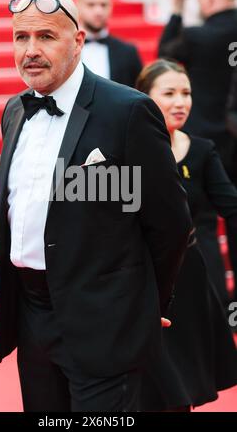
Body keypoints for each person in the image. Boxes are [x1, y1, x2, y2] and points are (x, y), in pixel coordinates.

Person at [0, 0, 192, 412]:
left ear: (78, 41)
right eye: (20, 37)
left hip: (106, 321)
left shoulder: (128, 112)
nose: (31, 51)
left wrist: (146, 304)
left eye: (46, 36)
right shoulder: (14, 110)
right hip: (31, 317)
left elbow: (170, 224)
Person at [137, 59, 237, 412]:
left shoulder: (202, 150)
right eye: (169, 93)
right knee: (147, 385)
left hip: (189, 277)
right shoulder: (127, 151)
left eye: (186, 93)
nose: (181, 102)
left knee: (183, 383)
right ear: (145, 99)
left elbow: (232, 206)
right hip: (141, 276)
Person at [158, 0, 237, 306]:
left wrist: (177, 10)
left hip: (205, 144)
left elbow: (164, 56)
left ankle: (215, 308)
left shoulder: (197, 37)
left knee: (203, 228)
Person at [77, 0, 143, 87]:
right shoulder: (66, 48)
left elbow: (140, 92)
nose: (98, 11)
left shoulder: (128, 52)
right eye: (91, 5)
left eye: (103, 5)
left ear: (111, 7)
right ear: (78, 6)